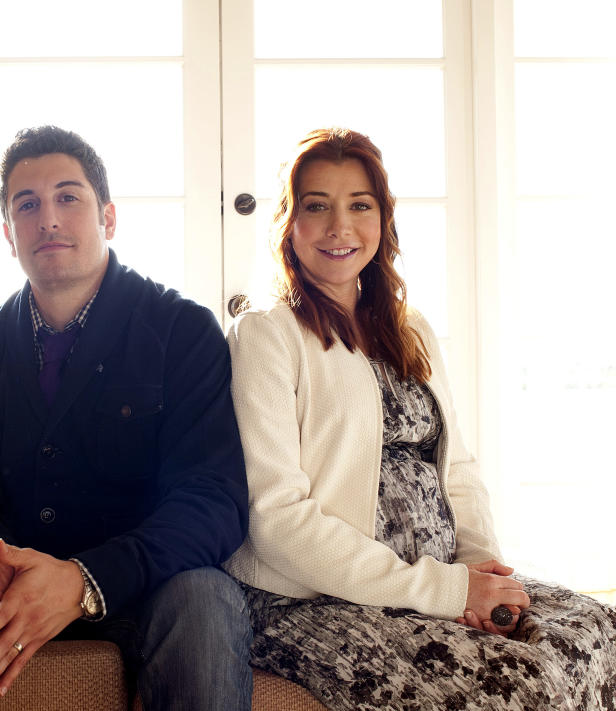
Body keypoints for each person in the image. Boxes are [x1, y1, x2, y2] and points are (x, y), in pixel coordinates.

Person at [0, 125, 253, 710]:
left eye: (69, 197)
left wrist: (86, 580)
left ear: (108, 217)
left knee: (206, 597)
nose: (49, 219)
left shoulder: (181, 331)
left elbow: (213, 500)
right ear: (9, 232)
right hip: (5, 585)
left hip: (143, 592)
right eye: (27, 204)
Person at [224, 127, 616, 710]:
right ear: (289, 223)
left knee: (597, 630)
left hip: (436, 575)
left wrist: (478, 564)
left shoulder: (409, 329)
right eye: (317, 207)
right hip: (312, 597)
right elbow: (276, 519)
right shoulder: (266, 333)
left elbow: (455, 466)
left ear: (383, 219)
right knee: (520, 684)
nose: (340, 227)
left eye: (360, 205)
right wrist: (446, 591)